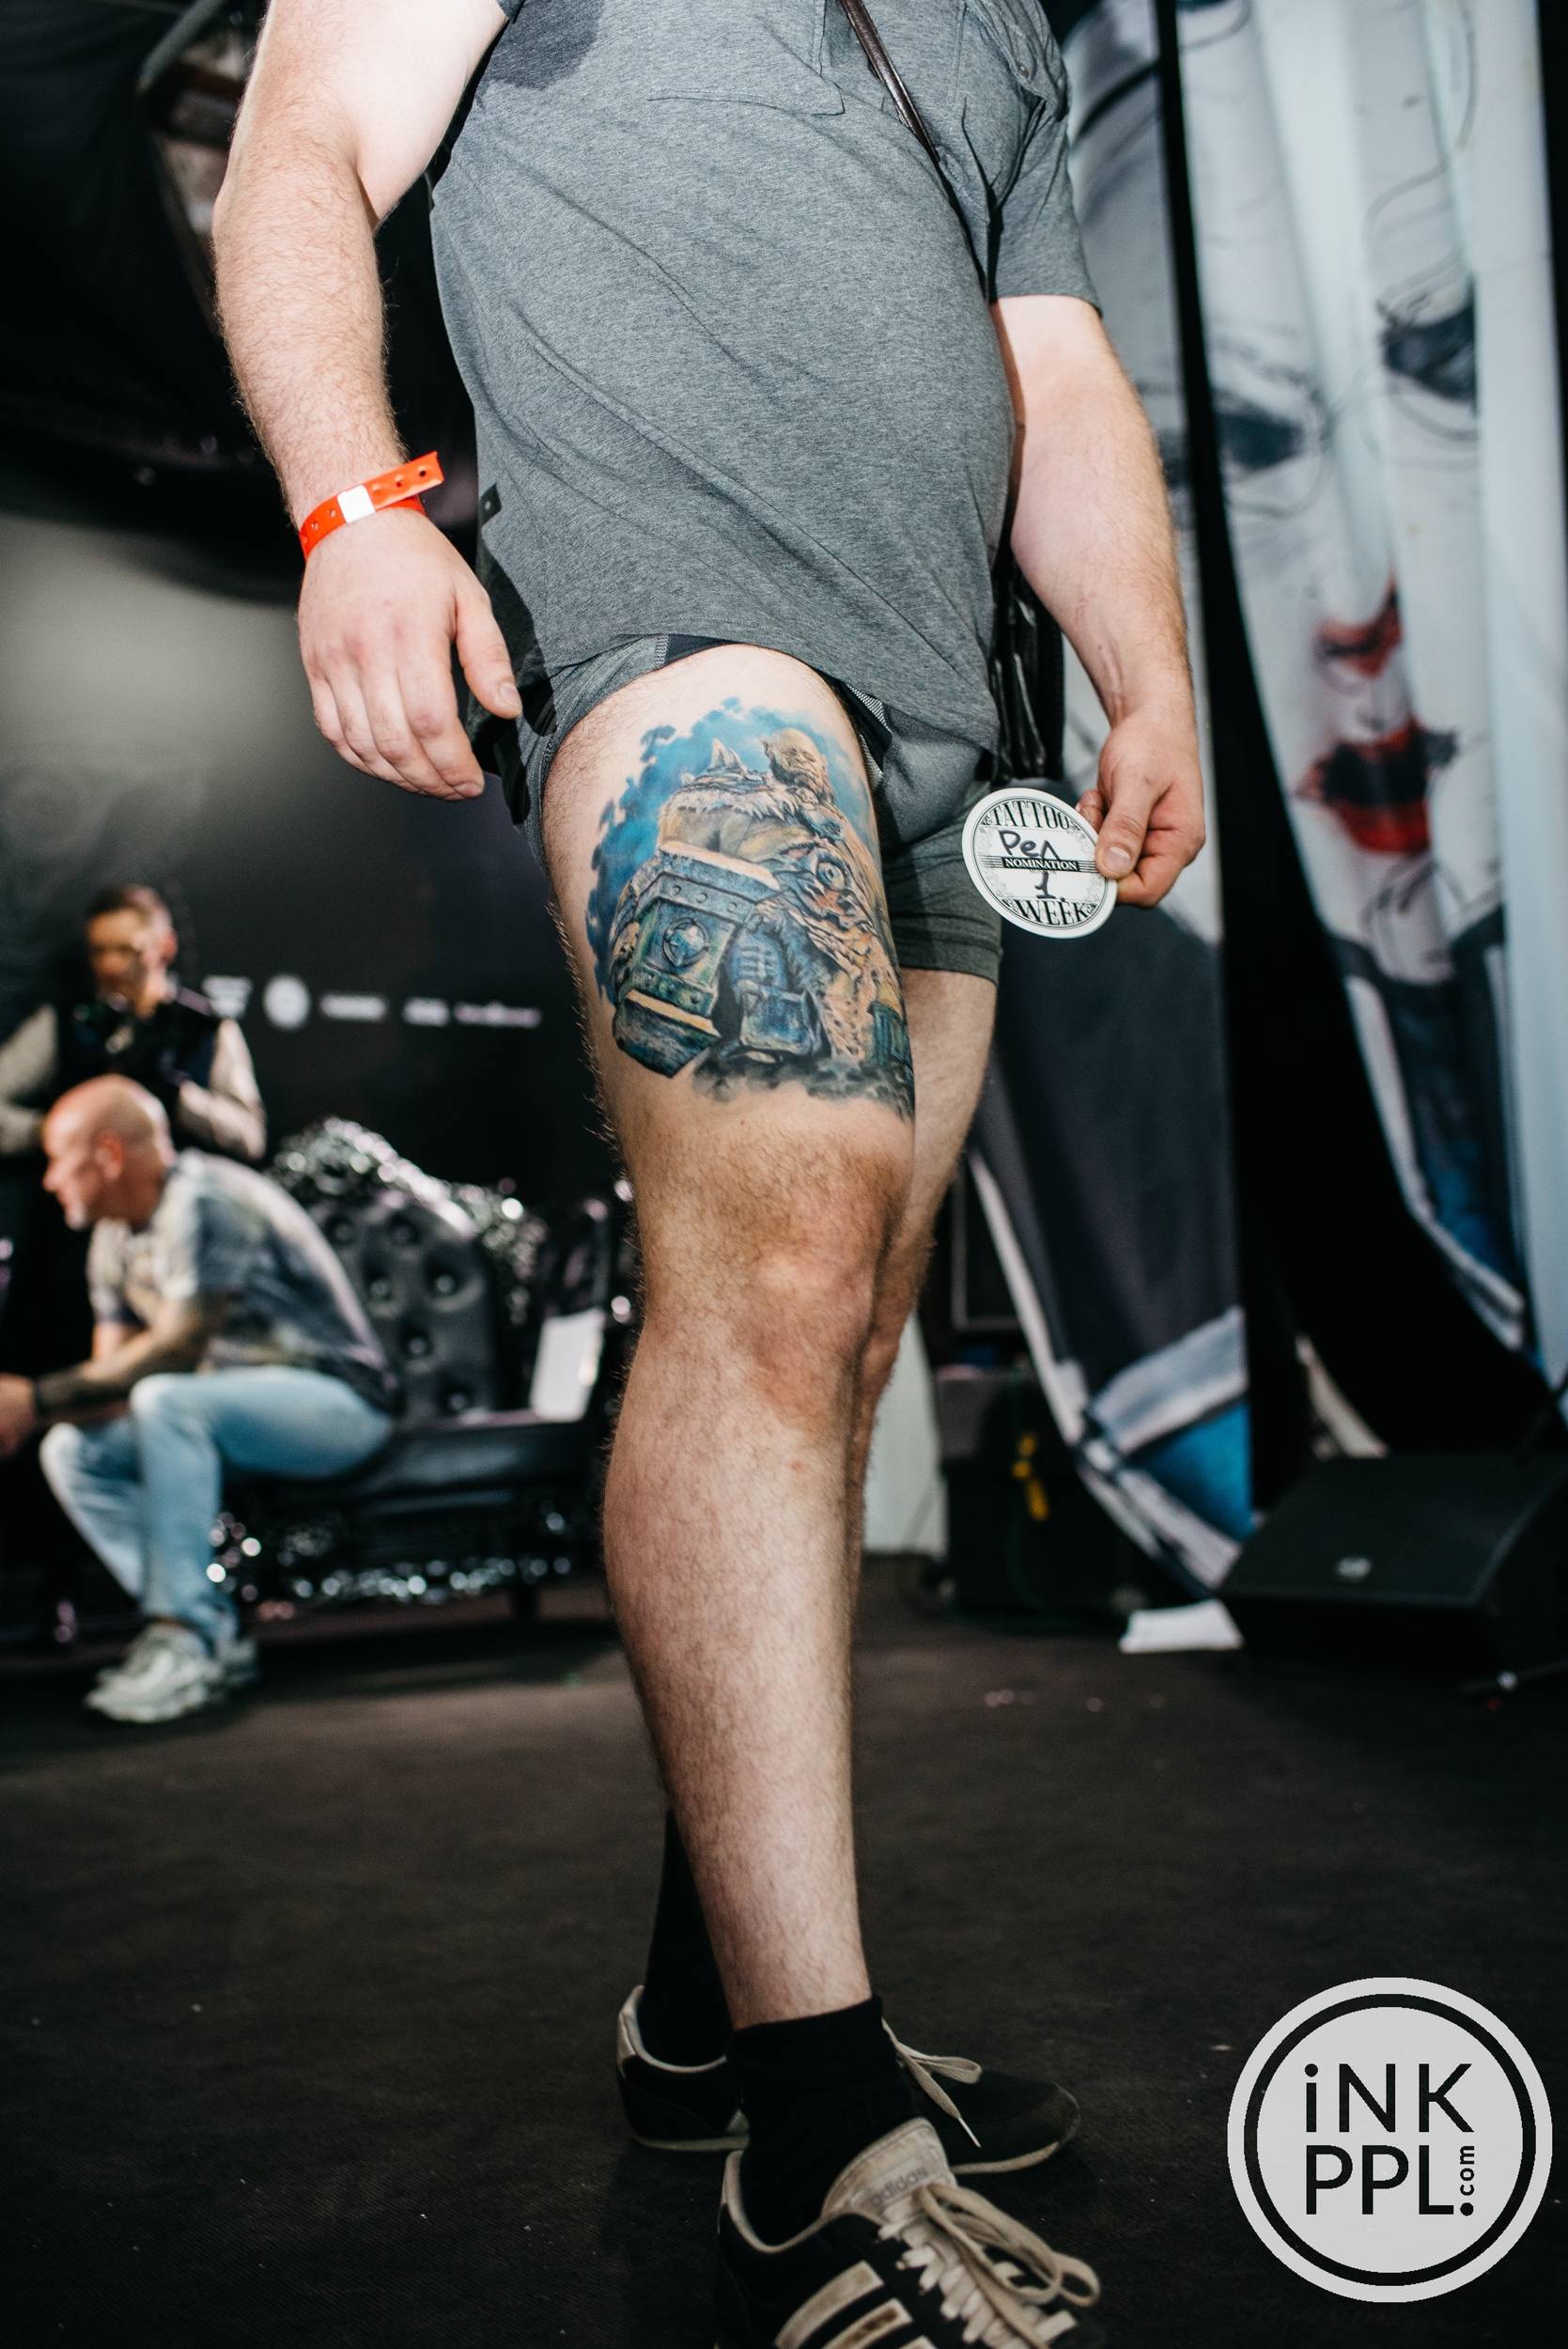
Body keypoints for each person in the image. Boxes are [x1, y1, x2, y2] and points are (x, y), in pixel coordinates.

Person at [212, 2, 1204, 2338]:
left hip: (956, 714)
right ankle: (818, 2113)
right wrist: (354, 507)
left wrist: (1146, 671)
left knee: (838, 1334)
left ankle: (702, 2008)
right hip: (679, 634)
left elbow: (1047, 358)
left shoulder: (1001, 18)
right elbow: (298, 149)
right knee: (775, 1268)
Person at [0, 1079, 396, 1725]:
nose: (49, 1180)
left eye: (58, 1159)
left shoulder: (205, 1199)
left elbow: (175, 1354)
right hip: (226, 1414)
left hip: (342, 1408)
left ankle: (182, 1633)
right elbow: (111, 1379)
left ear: (108, 1154)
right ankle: (210, 1629)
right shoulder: (114, 1236)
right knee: (75, 1449)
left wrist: (35, 1399)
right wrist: (30, 1418)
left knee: (166, 1399)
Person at [0, 884, 266, 1165]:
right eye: (99, 951)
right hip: (80, 1186)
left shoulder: (207, 1027)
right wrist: (56, 1129)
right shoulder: (63, 1022)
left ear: (165, 946)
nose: (110, 965)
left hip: (175, 1187)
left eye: (127, 950)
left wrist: (178, 1097)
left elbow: (250, 1136)